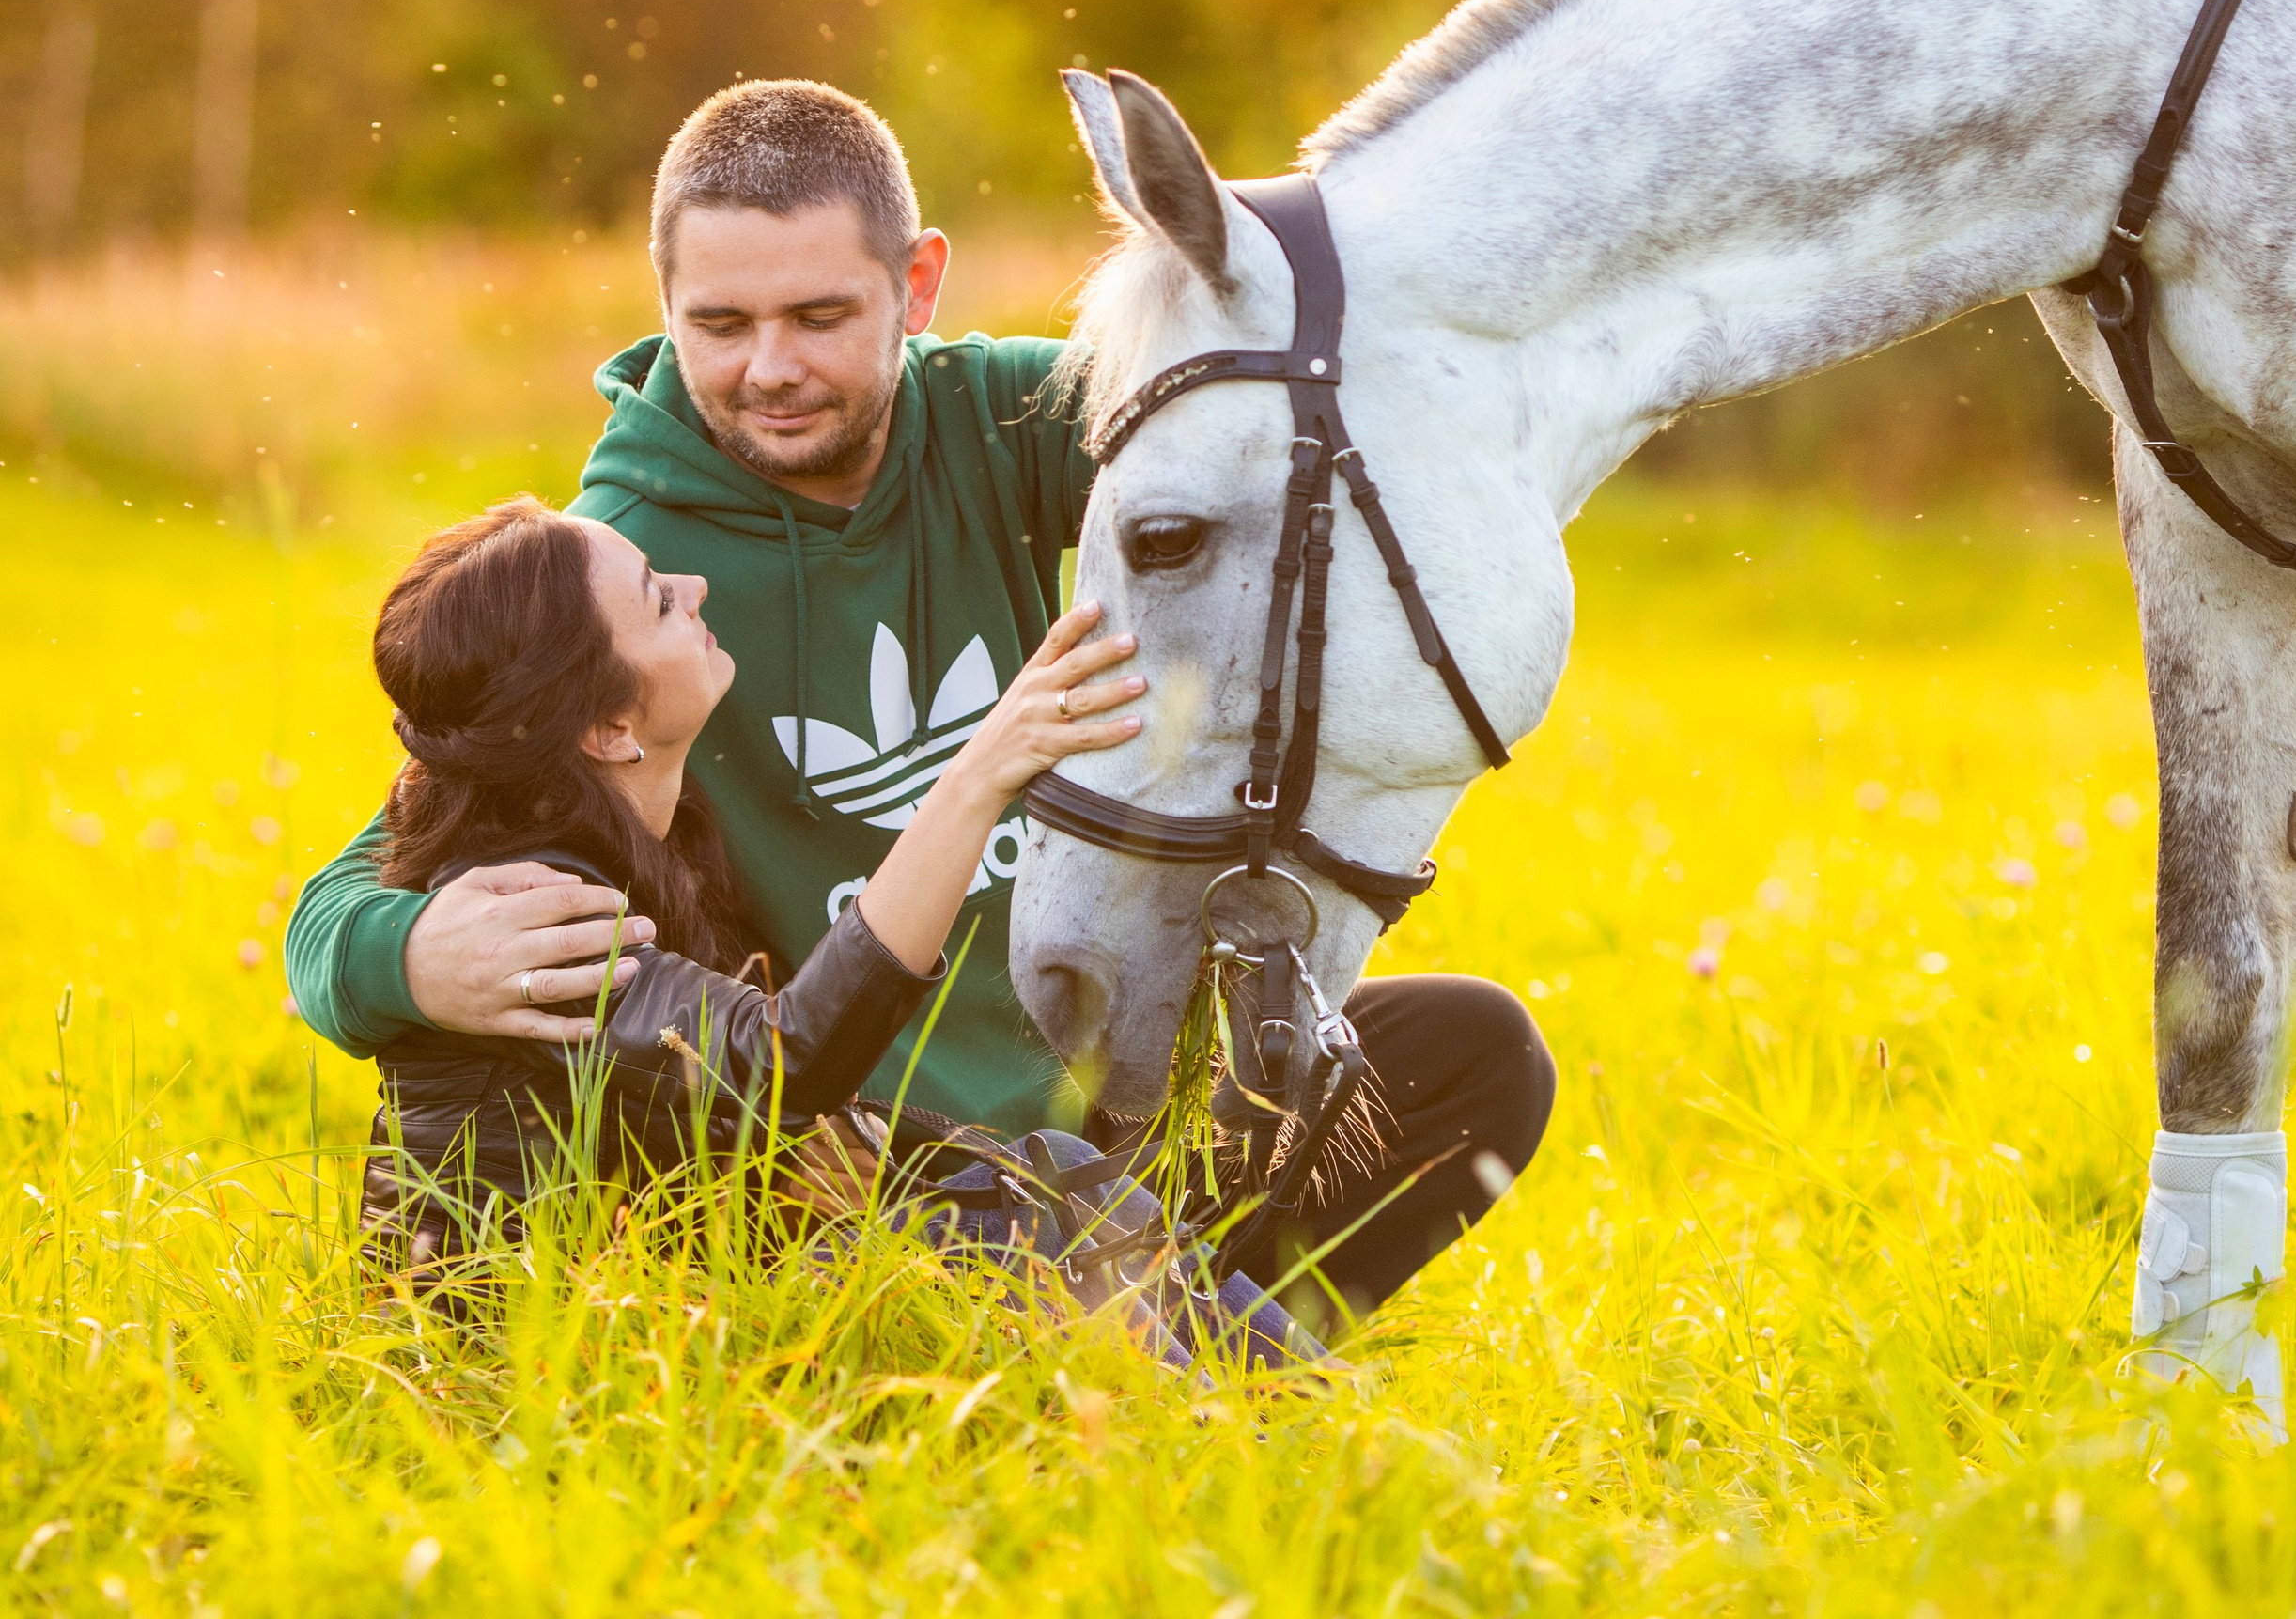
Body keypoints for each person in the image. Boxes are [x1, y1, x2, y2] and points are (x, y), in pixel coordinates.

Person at [289, 79, 1553, 1316]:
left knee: (1472, 1059)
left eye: (822, 316)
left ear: (919, 284)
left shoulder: (1002, 421)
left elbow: (1271, 402)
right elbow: (376, 873)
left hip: (1103, 1100)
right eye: (720, 324)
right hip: (863, 1173)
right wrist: (401, 955)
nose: (770, 369)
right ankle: (1187, 1359)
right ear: (666, 305)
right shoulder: (630, 570)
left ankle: (1182, 1322)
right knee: (1007, 1243)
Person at [361, 489, 1313, 1353]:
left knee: (1049, 1174)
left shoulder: (644, 825)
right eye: (656, 597)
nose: (692, 587)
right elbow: (780, 1069)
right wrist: (982, 772)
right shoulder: (534, 913)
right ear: (609, 730)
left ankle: (1311, 1423)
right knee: (998, 1229)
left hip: (669, 1302)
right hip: (525, 1360)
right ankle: (1233, 1444)